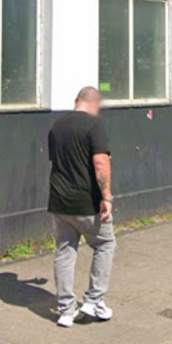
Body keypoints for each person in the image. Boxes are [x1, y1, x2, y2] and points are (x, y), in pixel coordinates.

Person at [47, 85, 115, 327]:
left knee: (64, 252)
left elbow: (58, 163)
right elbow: (100, 163)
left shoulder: (57, 126)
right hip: (86, 203)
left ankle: (66, 310)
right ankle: (94, 300)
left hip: (58, 202)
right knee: (105, 243)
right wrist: (106, 196)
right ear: (94, 103)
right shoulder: (93, 125)